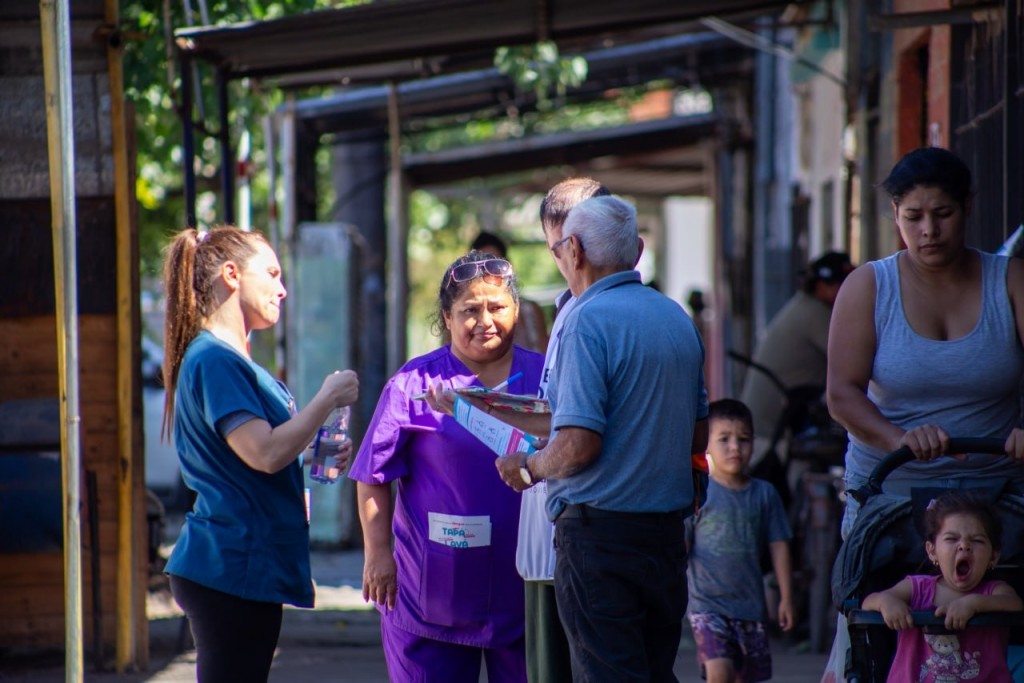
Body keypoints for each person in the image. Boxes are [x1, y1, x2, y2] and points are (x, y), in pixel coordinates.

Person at [822, 146, 1024, 681]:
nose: (928, 230)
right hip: (891, 491)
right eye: (913, 217)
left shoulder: (1011, 281)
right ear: (894, 216)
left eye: (943, 214)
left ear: (969, 207)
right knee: (870, 631)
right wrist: (898, 438)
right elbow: (841, 394)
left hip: (994, 493)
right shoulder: (869, 286)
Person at [494, 194, 709, 681]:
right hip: (665, 536)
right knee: (654, 670)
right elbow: (697, 431)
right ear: (635, 250)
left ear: (573, 249)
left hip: (600, 537)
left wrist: (528, 468)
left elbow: (577, 444)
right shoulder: (675, 317)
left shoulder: (585, 322)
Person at [160, 226, 360, 682]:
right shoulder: (216, 359)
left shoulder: (226, 359)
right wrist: (326, 398)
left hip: (242, 562)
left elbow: (255, 454)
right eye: (271, 273)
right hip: (233, 562)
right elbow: (265, 454)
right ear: (232, 275)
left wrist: (307, 449)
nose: (282, 288)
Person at [348, 250, 545, 682]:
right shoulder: (415, 384)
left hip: (526, 588)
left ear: (517, 310)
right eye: (469, 310)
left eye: (497, 307)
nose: (485, 321)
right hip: (430, 591)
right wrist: (378, 555)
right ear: (447, 316)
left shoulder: (549, 377)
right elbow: (372, 476)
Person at [686, 398, 794, 683]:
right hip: (706, 605)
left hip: (750, 606)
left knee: (746, 677)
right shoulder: (698, 491)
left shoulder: (764, 494)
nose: (735, 447)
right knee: (720, 672)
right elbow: (681, 545)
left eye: (743, 439)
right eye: (724, 439)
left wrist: (785, 596)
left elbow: (779, 544)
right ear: (705, 444)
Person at [861, 491, 1021, 682]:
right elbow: (869, 601)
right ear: (932, 551)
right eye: (952, 539)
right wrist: (887, 603)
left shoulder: (994, 591)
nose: (964, 546)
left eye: (977, 541)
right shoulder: (916, 588)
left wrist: (974, 604)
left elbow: (1014, 603)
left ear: (993, 557)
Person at [739, 251, 853, 478]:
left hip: (772, 427)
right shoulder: (816, 314)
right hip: (770, 434)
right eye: (841, 285)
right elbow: (853, 356)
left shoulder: (805, 307)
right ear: (821, 286)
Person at [472, 230, 550, 353]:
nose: (489, 272)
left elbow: (544, 359)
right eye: (481, 267)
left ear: (508, 266)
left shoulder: (530, 311)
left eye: (494, 264)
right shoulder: (464, 317)